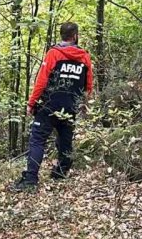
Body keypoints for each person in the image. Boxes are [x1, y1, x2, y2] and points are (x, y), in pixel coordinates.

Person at [11, 22, 93, 192]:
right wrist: (81, 103)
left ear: (61, 35)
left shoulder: (53, 54)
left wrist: (31, 103)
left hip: (48, 106)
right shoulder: (84, 57)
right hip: (70, 106)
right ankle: (60, 173)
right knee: (65, 141)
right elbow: (89, 86)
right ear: (75, 36)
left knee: (37, 140)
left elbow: (41, 82)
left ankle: (31, 179)